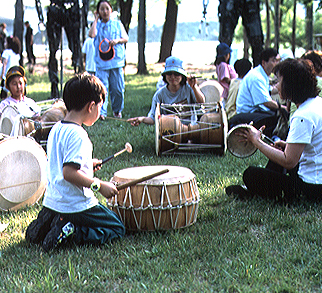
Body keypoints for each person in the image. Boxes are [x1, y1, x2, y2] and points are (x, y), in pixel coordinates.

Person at [25, 73, 125, 252]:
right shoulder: (79, 135)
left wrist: (87, 163)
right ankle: (74, 231)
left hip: (53, 202)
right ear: (91, 106)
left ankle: (47, 225)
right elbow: (69, 173)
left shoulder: (57, 128)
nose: (100, 112)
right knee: (117, 227)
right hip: (75, 205)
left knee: (58, 218)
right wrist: (99, 185)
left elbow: (61, 161)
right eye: (100, 107)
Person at [226, 58, 322, 203]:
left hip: (319, 189)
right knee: (276, 158)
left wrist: (257, 142)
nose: (276, 86)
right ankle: (255, 190)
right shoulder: (321, 104)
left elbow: (289, 161)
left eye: (278, 81)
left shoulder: (303, 115)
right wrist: (287, 145)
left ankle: (255, 192)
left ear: (290, 84)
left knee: (251, 174)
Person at [127, 56, 205, 126]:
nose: (173, 77)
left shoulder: (189, 88)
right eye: (169, 74)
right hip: (169, 131)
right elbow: (153, 118)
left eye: (176, 74)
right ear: (165, 76)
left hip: (190, 128)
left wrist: (194, 86)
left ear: (182, 76)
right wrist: (142, 119)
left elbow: (201, 102)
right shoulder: (159, 95)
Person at [89, 0, 128, 119]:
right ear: (98, 12)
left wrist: (117, 41)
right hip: (102, 64)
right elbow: (91, 35)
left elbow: (125, 38)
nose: (105, 11)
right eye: (102, 9)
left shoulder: (117, 24)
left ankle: (117, 110)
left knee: (118, 89)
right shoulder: (96, 25)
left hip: (116, 62)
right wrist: (95, 19)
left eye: (107, 8)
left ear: (111, 9)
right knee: (101, 89)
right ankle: (101, 113)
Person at [231, 48, 283, 137]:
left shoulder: (262, 75)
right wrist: (281, 107)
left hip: (253, 111)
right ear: (264, 62)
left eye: (277, 61)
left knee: (274, 113)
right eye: (273, 61)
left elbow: (270, 90)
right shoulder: (257, 77)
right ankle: (267, 140)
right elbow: (266, 102)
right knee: (274, 116)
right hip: (246, 113)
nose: (276, 64)